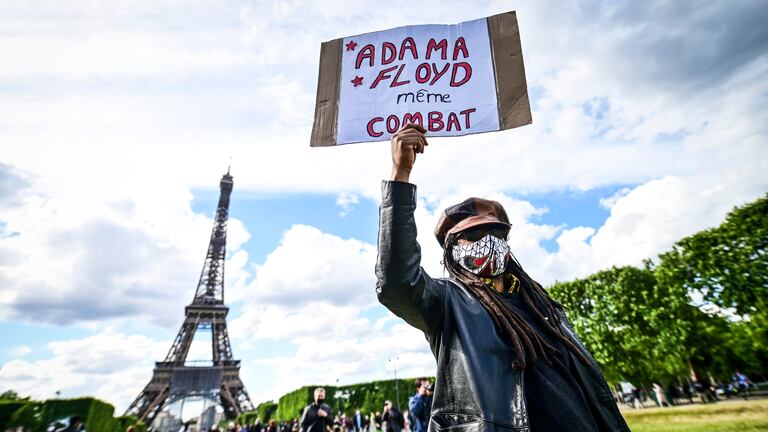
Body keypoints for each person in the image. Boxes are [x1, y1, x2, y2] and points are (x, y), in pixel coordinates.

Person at [375, 124, 630, 432]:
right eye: (474, 234)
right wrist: (399, 176)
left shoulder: (543, 306)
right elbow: (396, 282)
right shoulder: (449, 304)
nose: (490, 241)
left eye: (497, 232)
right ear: (452, 250)